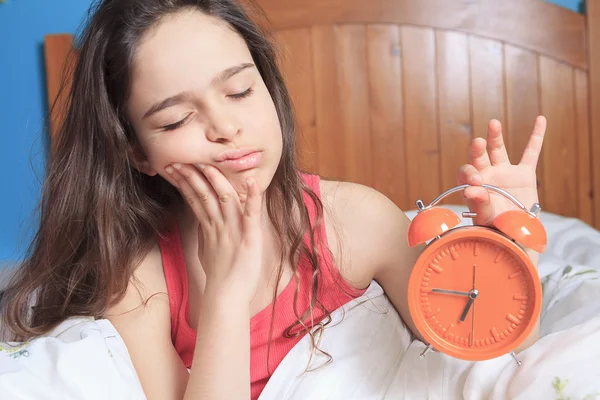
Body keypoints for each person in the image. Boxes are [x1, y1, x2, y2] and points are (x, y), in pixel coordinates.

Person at [0, 0, 547, 399]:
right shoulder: (139, 279)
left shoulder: (355, 221)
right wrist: (226, 292)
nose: (225, 127)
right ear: (139, 154)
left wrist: (509, 244)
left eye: (240, 90)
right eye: (175, 119)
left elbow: (484, 344)